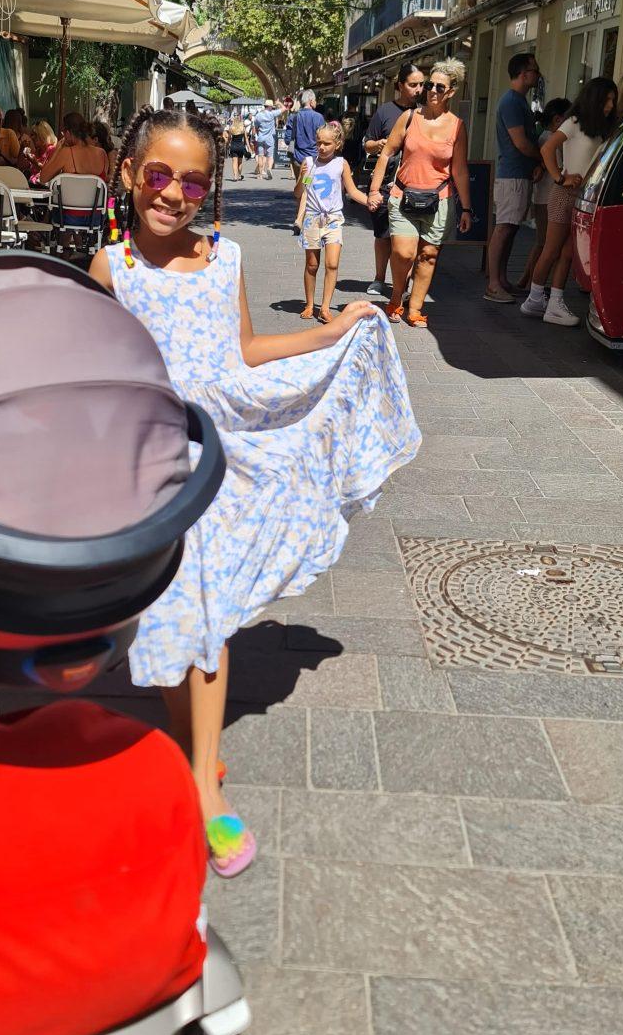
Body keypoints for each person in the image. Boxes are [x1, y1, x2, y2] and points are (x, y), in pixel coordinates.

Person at [89, 105, 419, 876]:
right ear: (133, 175)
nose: (174, 193)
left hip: (219, 454)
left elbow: (243, 352)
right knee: (167, 611)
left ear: (211, 188)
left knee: (204, 612)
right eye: (161, 175)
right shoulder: (113, 268)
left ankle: (204, 785)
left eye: (194, 180)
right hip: (144, 464)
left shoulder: (227, 258)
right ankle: (192, 749)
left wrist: (330, 332)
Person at [368, 58, 472, 327]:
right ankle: (396, 297)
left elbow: (459, 170)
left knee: (428, 255)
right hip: (403, 196)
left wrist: (467, 208)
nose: (433, 91)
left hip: (440, 200)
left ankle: (415, 308)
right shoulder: (410, 117)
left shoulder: (457, 126)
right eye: (430, 85)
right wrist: (373, 190)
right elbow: (387, 152)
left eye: (440, 87)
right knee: (404, 253)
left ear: (450, 91)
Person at [521, 76, 617, 327]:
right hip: (565, 194)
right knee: (552, 249)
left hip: (586, 196)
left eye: (613, 100)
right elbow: (547, 148)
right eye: (606, 99)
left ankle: (554, 302)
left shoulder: (602, 127)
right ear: (594, 99)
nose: (610, 105)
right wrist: (558, 177)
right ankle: (534, 298)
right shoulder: (574, 122)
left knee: (567, 253)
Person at [361, 63, 427, 298]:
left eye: (421, 84)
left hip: (415, 184)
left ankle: (404, 284)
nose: (418, 89)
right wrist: (379, 145)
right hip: (386, 182)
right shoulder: (385, 112)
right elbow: (367, 143)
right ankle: (379, 278)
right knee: (383, 234)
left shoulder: (426, 112)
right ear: (400, 85)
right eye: (413, 85)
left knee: (410, 239)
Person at [293, 120, 369, 322]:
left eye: (326, 143)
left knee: (332, 264)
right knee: (311, 264)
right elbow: (299, 193)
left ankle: (324, 307)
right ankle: (309, 304)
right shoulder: (309, 164)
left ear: (337, 144)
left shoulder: (340, 164)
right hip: (312, 218)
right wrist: (302, 178)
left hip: (333, 219)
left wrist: (370, 202)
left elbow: (351, 191)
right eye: (319, 142)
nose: (321, 147)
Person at [486, 52, 541, 303]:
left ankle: (502, 280)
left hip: (518, 174)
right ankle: (494, 284)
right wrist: (542, 159)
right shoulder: (511, 102)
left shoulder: (518, 101)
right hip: (512, 175)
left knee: (511, 228)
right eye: (534, 69)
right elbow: (520, 142)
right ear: (523, 73)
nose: (537, 74)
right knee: (504, 228)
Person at [517, 97, 570, 290]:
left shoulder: (544, 137)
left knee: (541, 243)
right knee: (545, 245)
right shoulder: (552, 139)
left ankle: (526, 279)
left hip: (542, 197)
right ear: (558, 120)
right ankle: (532, 282)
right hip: (549, 198)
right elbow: (558, 166)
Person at [37, 110, 108, 182]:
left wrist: (57, 150)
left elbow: (43, 178)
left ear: (67, 133)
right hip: (95, 193)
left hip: (71, 193)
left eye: (63, 133)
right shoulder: (102, 153)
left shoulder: (66, 153)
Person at [288, 88, 325, 190]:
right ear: (311, 101)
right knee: (309, 187)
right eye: (315, 100)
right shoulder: (319, 117)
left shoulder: (293, 117)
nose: (316, 102)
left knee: (300, 187)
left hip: (298, 158)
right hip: (313, 159)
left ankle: (300, 204)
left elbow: (288, 139)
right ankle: (306, 204)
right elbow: (323, 138)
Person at [251, 99, 278, 179]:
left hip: (260, 138)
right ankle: (269, 168)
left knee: (260, 156)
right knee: (270, 156)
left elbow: (255, 126)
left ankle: (260, 175)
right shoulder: (272, 115)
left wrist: (256, 135)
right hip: (270, 138)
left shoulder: (259, 115)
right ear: (270, 107)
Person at [227, 109, 249, 180]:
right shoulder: (243, 128)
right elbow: (246, 139)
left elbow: (229, 138)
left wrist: (227, 145)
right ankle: (239, 175)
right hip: (241, 146)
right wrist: (249, 148)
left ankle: (235, 176)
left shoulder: (231, 128)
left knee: (234, 162)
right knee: (240, 162)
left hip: (233, 146)